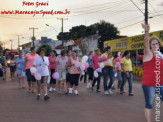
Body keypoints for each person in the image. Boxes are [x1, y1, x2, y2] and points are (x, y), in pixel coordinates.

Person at [141, 24, 163, 122]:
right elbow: (145, 44)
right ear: (150, 46)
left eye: (157, 44)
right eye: (153, 44)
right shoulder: (148, 54)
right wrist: (147, 32)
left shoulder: (160, 56)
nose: (155, 45)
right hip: (149, 84)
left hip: (160, 83)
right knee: (149, 104)